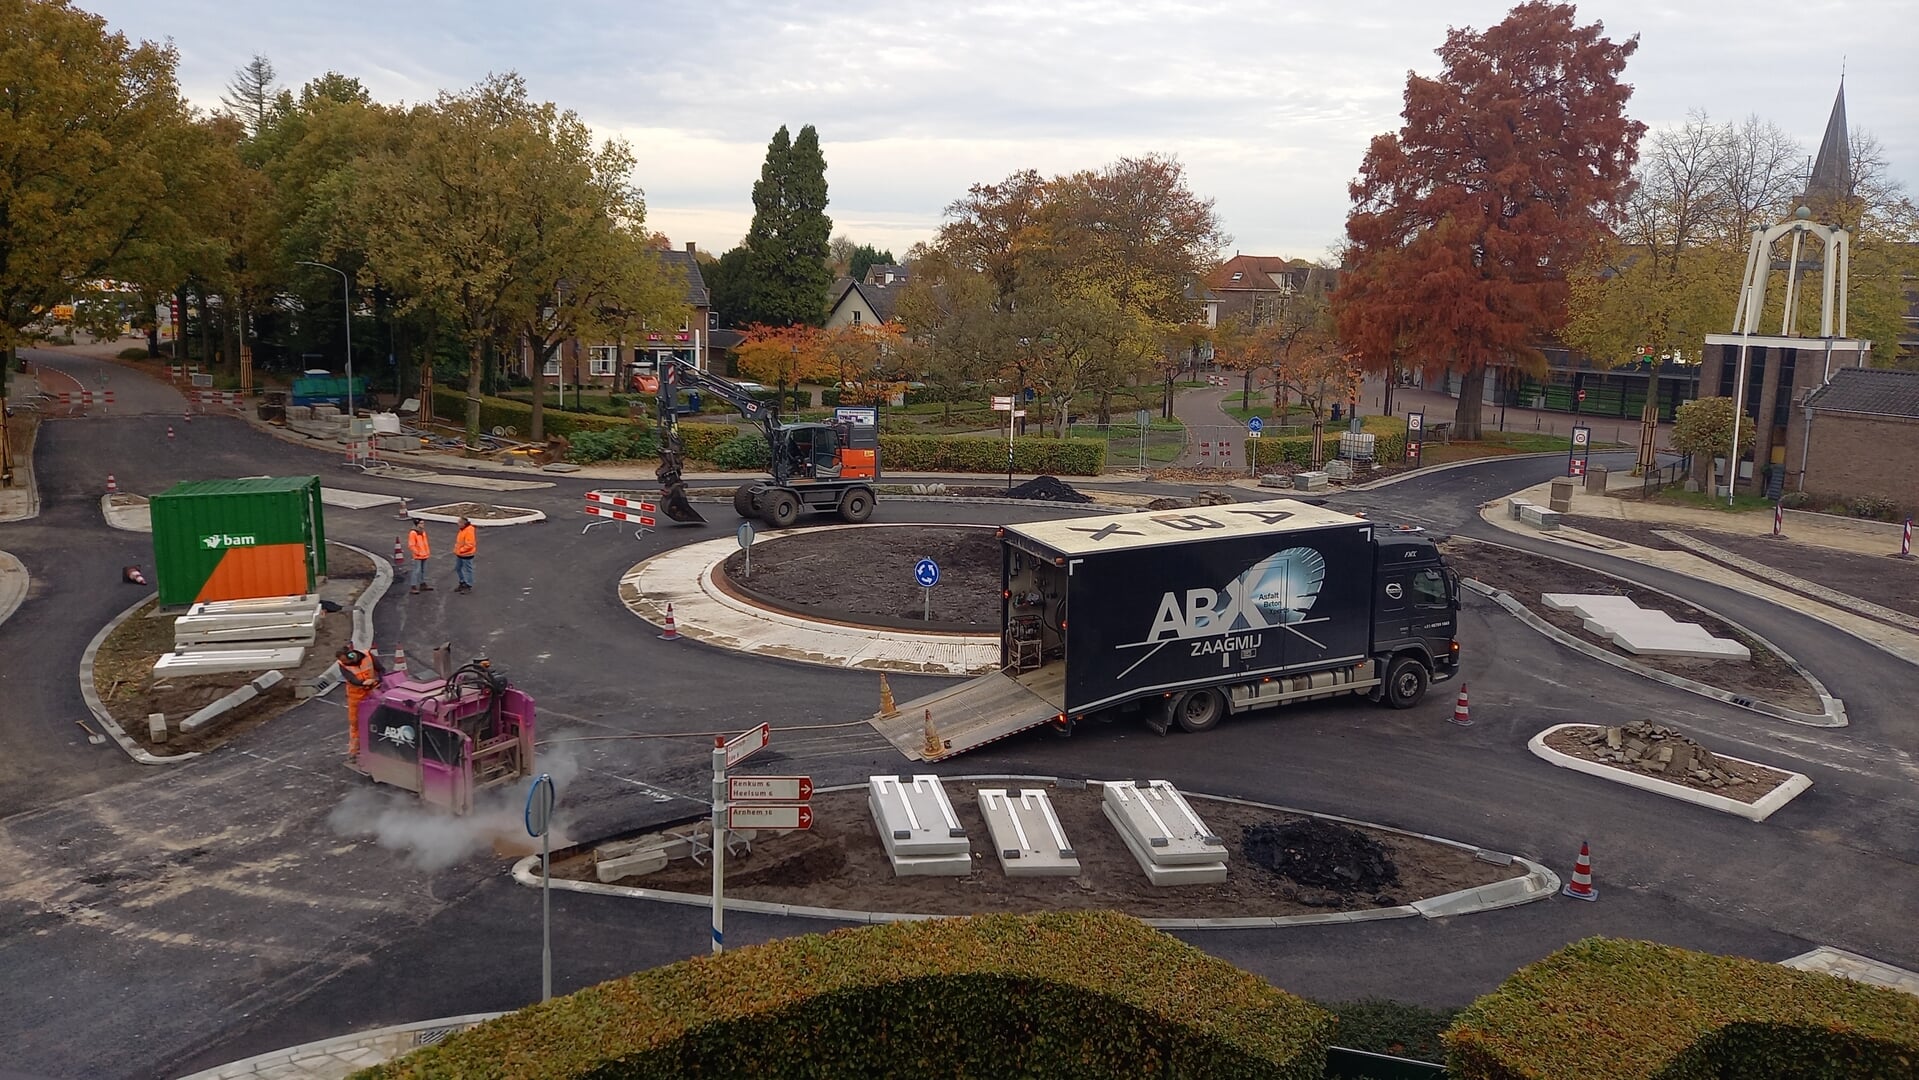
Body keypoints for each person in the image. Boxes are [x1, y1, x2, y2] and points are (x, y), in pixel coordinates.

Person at [335, 646, 383, 764]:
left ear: (351, 655)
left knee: (379, 719)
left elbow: (381, 669)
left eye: (345, 660)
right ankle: (354, 752)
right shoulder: (342, 664)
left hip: (373, 692)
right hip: (356, 696)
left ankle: (377, 748)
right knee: (355, 723)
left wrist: (380, 681)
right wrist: (363, 683)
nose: (344, 663)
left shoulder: (368, 656)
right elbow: (352, 680)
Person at [407, 519, 433, 594]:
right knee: (416, 570)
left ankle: (422, 584)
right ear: (417, 524)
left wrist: (426, 552)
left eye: (423, 523)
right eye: (421, 523)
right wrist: (417, 552)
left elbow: (425, 543)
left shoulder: (423, 532)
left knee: (423, 570)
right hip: (418, 556)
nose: (423, 525)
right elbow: (411, 545)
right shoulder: (413, 533)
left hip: (424, 554)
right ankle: (413, 586)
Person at [453, 516, 477, 592]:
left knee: (467, 570)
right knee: (458, 568)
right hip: (460, 554)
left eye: (459, 522)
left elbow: (470, 544)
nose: (458, 523)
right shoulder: (463, 530)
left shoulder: (469, 531)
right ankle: (462, 582)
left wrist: (460, 550)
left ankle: (468, 585)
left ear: (464, 523)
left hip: (467, 554)